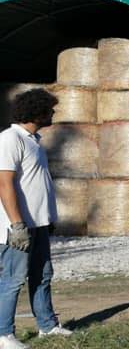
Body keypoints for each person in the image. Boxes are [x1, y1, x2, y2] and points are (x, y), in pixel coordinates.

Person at [0, 89, 73, 348]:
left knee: (42, 275)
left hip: (38, 224)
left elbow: (35, 184)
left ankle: (47, 326)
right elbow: (4, 184)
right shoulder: (10, 139)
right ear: (37, 111)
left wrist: (47, 218)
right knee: (13, 279)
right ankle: (4, 335)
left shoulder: (33, 140)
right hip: (17, 227)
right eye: (50, 109)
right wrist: (17, 224)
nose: (53, 113)